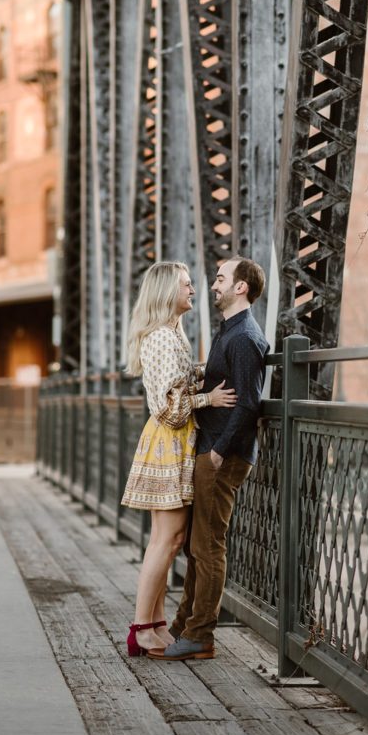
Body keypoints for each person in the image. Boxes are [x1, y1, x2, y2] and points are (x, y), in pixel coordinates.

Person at [148, 256, 269, 662]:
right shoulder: (228, 331)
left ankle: (200, 634)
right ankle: (185, 625)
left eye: (220, 279)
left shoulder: (244, 337)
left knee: (208, 546)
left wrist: (218, 452)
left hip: (222, 454)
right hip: (210, 447)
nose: (213, 286)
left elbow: (248, 404)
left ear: (241, 287)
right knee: (196, 547)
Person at [121, 261, 237, 656]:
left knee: (167, 539)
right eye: (186, 284)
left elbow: (176, 384)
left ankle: (154, 623)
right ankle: (140, 628)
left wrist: (204, 373)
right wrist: (209, 399)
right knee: (168, 540)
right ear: (167, 292)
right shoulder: (162, 339)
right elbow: (169, 409)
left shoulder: (171, 334)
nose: (193, 290)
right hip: (169, 441)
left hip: (173, 443)